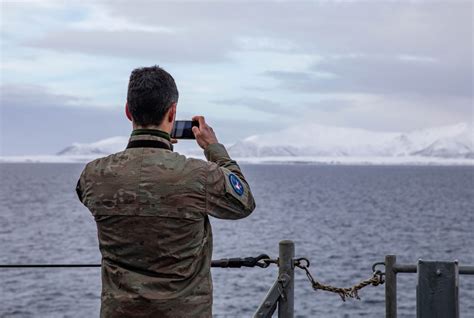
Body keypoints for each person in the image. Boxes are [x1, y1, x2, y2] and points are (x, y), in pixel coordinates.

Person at [75, 65, 256, 318]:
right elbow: (244, 202)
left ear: (128, 111)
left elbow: (96, 194)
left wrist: (150, 153)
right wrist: (214, 149)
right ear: (172, 112)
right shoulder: (200, 175)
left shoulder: (94, 174)